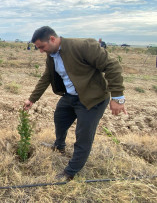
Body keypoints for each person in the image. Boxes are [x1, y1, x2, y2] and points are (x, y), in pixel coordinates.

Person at [24, 26, 126, 181]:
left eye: (42, 47)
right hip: (70, 96)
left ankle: (71, 172)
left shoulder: (83, 46)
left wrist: (117, 97)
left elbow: (112, 65)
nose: (41, 51)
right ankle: (59, 146)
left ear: (52, 39)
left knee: (83, 136)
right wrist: (32, 99)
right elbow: (47, 76)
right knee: (60, 117)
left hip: (92, 98)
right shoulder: (51, 54)